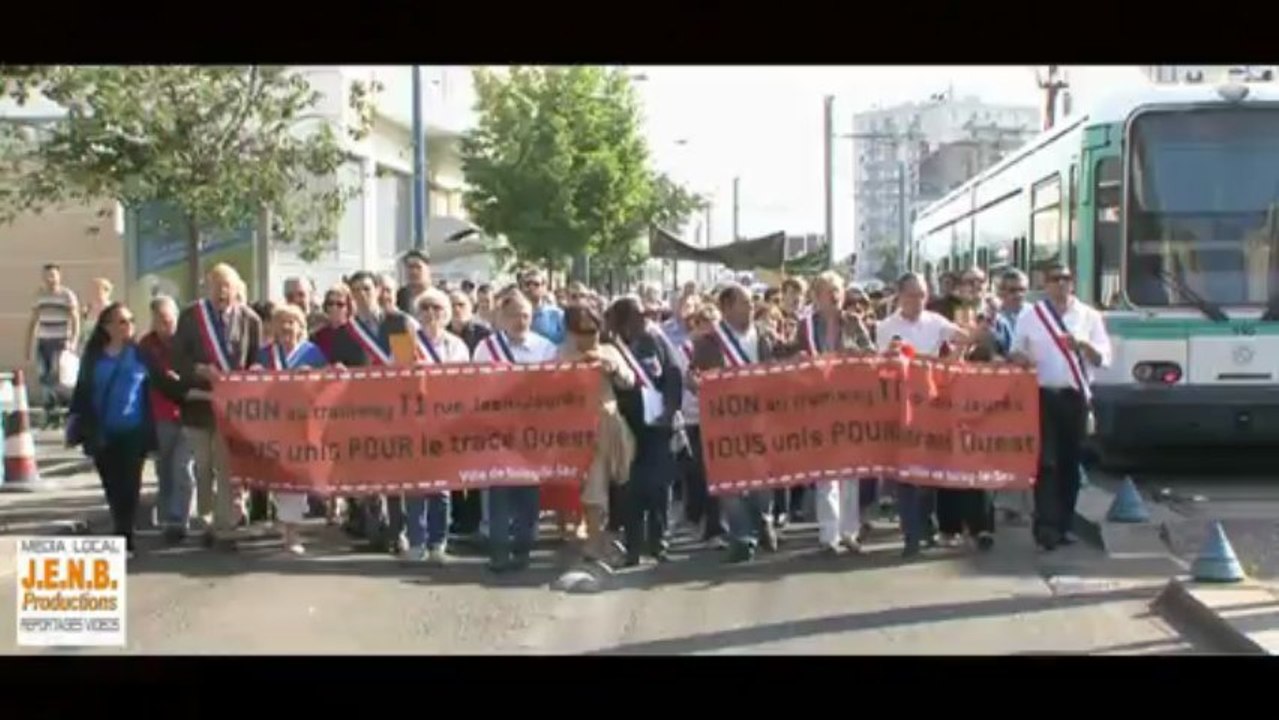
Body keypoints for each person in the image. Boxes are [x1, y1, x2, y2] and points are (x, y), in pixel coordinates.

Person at [1010, 261, 1111, 551]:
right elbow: (1016, 349)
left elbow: (1103, 358)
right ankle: (1046, 526)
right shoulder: (1032, 315)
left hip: (1074, 396)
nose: (1061, 284)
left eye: (1066, 278)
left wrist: (1083, 346)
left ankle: (1064, 524)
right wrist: (1020, 358)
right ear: (1045, 283)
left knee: (1070, 463)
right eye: (1055, 279)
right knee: (1046, 462)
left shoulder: (1089, 316)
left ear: (1073, 283)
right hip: (1042, 396)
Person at [876, 272, 970, 558]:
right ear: (900, 296)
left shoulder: (935, 321)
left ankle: (925, 525)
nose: (918, 301)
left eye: (922, 295)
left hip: (930, 405)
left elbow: (963, 336)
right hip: (901, 406)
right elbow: (883, 363)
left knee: (928, 471)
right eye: (912, 295)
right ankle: (911, 533)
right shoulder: (887, 326)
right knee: (906, 472)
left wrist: (955, 355)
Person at [171, 263, 262, 551]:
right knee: (203, 467)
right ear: (207, 288)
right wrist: (199, 369)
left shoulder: (250, 320)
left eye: (227, 286)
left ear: (237, 289)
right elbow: (176, 360)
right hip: (199, 405)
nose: (222, 292)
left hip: (231, 409)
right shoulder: (191, 317)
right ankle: (206, 516)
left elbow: (255, 360)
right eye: (216, 286)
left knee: (225, 467)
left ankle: (224, 526)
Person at [690, 283, 780, 564]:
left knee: (762, 477)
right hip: (724, 423)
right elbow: (693, 376)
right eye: (744, 303)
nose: (751, 307)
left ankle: (762, 518)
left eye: (752, 303)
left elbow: (778, 367)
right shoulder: (708, 342)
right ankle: (742, 537)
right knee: (729, 482)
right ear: (726, 307)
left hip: (759, 419)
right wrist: (696, 384)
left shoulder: (764, 336)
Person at [329, 270, 418, 553]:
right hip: (361, 411)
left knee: (395, 474)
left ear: (379, 290)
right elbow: (336, 369)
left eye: (367, 288)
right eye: (355, 291)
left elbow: (406, 365)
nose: (362, 295)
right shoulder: (344, 333)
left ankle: (398, 530)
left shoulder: (398, 322)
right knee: (368, 474)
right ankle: (374, 528)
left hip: (394, 409)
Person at [472, 291, 558, 573]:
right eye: (514, 315)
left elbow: (553, 388)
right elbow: (475, 386)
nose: (520, 321)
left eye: (525, 315)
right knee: (499, 491)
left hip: (533, 432)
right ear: (502, 317)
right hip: (497, 430)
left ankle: (523, 549)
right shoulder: (486, 348)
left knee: (528, 495)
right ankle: (498, 552)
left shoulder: (545, 348)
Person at [792, 271, 875, 556]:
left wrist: (857, 355)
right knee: (826, 472)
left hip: (849, 404)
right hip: (818, 405)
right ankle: (829, 535)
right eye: (829, 291)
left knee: (850, 471)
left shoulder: (852, 322)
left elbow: (871, 354)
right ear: (816, 296)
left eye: (838, 290)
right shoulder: (805, 326)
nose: (835, 296)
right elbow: (793, 357)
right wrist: (801, 360)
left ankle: (849, 532)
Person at [68, 302, 152, 558]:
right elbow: (82, 391)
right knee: (112, 485)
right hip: (101, 430)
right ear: (107, 327)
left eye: (131, 321)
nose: (128, 326)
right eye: (122, 321)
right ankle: (120, 526)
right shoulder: (94, 356)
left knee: (130, 485)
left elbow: (159, 382)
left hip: (133, 430)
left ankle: (125, 536)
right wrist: (75, 420)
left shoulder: (140, 354)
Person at [558, 304, 636, 566]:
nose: (588, 337)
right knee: (593, 484)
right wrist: (573, 367)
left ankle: (612, 535)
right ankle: (593, 540)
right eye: (581, 331)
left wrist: (611, 368)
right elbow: (549, 384)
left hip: (610, 423)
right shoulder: (561, 353)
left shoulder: (610, 351)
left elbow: (630, 380)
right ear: (571, 332)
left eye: (592, 330)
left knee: (619, 482)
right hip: (580, 429)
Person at [608, 295, 682, 567]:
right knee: (630, 491)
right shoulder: (610, 346)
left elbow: (674, 375)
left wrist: (671, 409)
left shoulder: (657, 339)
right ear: (623, 320)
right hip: (628, 429)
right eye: (637, 315)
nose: (644, 319)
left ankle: (658, 543)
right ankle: (633, 547)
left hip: (659, 428)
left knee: (659, 489)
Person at [254, 304, 329, 554]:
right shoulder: (265, 355)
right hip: (273, 425)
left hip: (303, 425)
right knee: (279, 479)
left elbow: (328, 387)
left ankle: (292, 533)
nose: (287, 327)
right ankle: (284, 523)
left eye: (292, 322)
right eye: (282, 322)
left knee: (296, 477)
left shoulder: (313, 353)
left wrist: (315, 377)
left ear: (301, 326)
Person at [404, 287, 470, 564]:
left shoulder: (456, 345)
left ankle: (437, 543)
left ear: (447, 314)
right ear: (417, 314)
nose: (431, 314)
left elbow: (463, 380)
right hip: (414, 421)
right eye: (425, 308)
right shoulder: (404, 343)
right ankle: (416, 542)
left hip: (445, 422)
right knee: (416, 485)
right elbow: (387, 380)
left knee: (441, 487)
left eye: (437, 308)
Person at [138, 295, 196, 545]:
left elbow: (192, 374)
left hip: (190, 414)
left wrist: (180, 382)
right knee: (164, 469)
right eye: (160, 320)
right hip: (161, 414)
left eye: (169, 319)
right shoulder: (146, 345)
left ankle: (179, 519)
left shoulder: (187, 341)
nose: (166, 325)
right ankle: (167, 516)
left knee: (182, 468)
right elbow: (155, 379)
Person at [677, 303, 727, 547]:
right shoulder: (685, 349)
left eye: (715, 322)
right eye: (706, 322)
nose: (712, 327)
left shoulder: (724, 349)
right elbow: (682, 383)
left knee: (715, 472)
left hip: (718, 418)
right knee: (697, 473)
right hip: (692, 419)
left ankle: (715, 528)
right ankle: (695, 516)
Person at [993, 268, 1033, 524]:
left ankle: (1026, 503)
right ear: (1000, 292)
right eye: (1009, 290)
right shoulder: (994, 318)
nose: (1015, 295)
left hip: (1031, 392)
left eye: (1020, 290)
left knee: (1029, 448)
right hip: (1002, 393)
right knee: (1006, 449)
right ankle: (1008, 504)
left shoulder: (1037, 316)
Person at [27, 263, 80, 429]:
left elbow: (75, 319)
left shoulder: (67, 295)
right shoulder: (39, 295)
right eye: (47, 275)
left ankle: (61, 414)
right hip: (44, 341)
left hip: (61, 341)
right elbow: (34, 320)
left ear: (59, 276)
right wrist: (28, 344)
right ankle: (50, 414)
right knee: (44, 378)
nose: (50, 278)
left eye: (53, 275)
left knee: (57, 378)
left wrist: (73, 341)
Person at [521, 269, 565, 344]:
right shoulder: (516, 315)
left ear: (544, 288)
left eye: (536, 284)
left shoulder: (557, 314)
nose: (531, 287)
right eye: (527, 284)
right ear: (522, 288)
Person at [310, 284, 352, 362]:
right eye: (330, 303)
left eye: (340, 304)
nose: (334, 307)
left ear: (348, 307)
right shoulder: (316, 336)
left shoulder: (356, 334)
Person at [80, 277, 114, 350]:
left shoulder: (112, 309)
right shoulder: (87, 308)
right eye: (92, 289)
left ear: (106, 291)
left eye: (97, 288)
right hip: (89, 347)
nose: (93, 291)